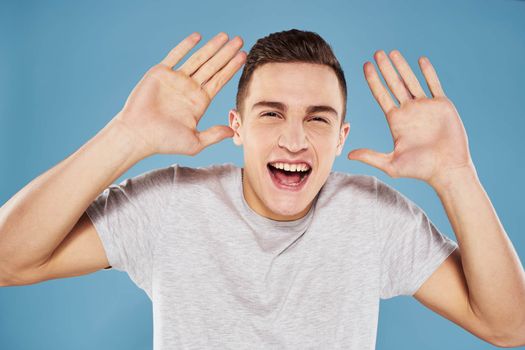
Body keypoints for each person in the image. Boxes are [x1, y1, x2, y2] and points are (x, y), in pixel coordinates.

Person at [0, 29, 524, 349]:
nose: (294, 140)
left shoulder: (374, 217)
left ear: (342, 138)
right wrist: (126, 137)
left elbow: (511, 327)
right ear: (237, 127)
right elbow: (7, 260)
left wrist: (457, 175)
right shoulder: (171, 205)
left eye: (318, 120)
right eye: (271, 114)